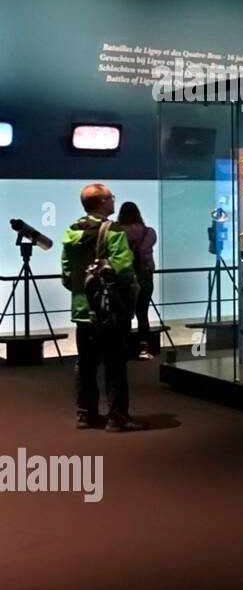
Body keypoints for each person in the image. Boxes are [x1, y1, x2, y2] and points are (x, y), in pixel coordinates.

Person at [60, 183, 146, 432]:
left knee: (85, 363)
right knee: (115, 363)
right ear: (101, 202)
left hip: (82, 311)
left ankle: (86, 414)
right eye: (111, 198)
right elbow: (123, 269)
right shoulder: (114, 232)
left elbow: (67, 275)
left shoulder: (71, 232)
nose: (113, 202)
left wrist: (82, 293)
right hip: (110, 311)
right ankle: (117, 418)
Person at [117, 201, 157, 360]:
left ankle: (123, 348)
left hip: (125, 278)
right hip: (145, 277)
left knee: (123, 315)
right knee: (143, 314)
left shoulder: (118, 232)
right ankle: (143, 349)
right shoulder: (149, 232)